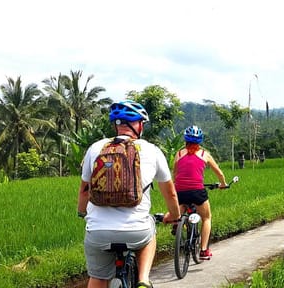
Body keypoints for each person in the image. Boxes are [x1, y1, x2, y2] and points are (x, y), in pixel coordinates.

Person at [77, 100, 180, 288]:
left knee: (98, 277)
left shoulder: (95, 148)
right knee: (149, 230)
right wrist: (174, 216)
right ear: (138, 124)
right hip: (136, 231)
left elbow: (84, 191)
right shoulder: (152, 150)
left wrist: (82, 213)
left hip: (98, 232)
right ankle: (143, 280)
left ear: (116, 125)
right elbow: (171, 194)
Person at [173, 125, 228, 260]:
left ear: (185, 140)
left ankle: (177, 222)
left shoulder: (179, 154)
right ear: (200, 141)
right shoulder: (205, 154)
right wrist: (223, 184)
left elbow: (175, 173)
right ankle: (204, 250)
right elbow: (219, 173)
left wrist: (177, 186)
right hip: (198, 191)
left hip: (180, 190)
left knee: (181, 205)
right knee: (206, 218)